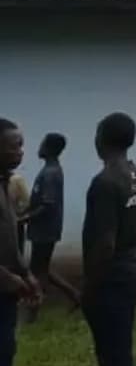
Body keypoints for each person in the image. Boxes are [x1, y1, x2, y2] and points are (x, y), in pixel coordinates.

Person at [82, 113, 136, 366]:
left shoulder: (105, 182)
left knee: (113, 359)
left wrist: (89, 286)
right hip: (131, 272)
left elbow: (105, 244)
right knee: (120, 350)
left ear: (102, 139)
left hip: (110, 280)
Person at [0, 118, 41, 366]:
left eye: (21, 145)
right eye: (14, 146)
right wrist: (8, 278)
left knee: (5, 352)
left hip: (6, 291)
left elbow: (9, 238)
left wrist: (26, 273)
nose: (21, 152)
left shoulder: (6, 184)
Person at [24, 133, 79, 321]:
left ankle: (33, 311)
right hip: (46, 227)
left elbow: (47, 204)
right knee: (43, 268)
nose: (39, 147)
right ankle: (75, 296)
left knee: (36, 270)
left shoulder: (50, 173)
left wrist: (23, 218)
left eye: (42, 144)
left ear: (48, 148)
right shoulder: (51, 170)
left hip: (45, 229)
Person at [8, 174, 28, 255]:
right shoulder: (17, 180)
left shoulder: (16, 180)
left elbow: (26, 202)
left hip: (14, 222)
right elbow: (26, 202)